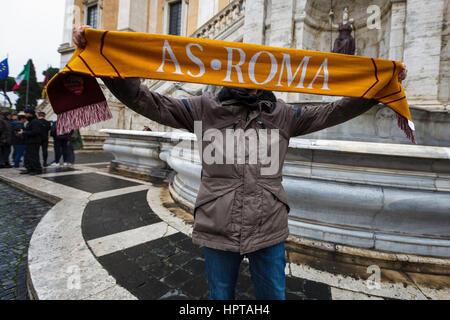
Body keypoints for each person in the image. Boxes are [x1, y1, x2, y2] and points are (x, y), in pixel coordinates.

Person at [73, 26, 408, 300]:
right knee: (221, 296)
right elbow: (143, 99)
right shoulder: (203, 109)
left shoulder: (284, 115)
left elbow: (337, 110)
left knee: (273, 295)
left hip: (270, 227)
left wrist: (381, 85)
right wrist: (106, 55)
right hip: (217, 225)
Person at [17, 108, 42, 175]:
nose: (25, 115)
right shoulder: (31, 121)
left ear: (30, 114)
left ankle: (37, 169)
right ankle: (29, 168)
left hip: (34, 142)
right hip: (29, 142)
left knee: (33, 156)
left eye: (26, 114)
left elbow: (35, 132)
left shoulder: (35, 122)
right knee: (27, 156)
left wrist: (24, 132)